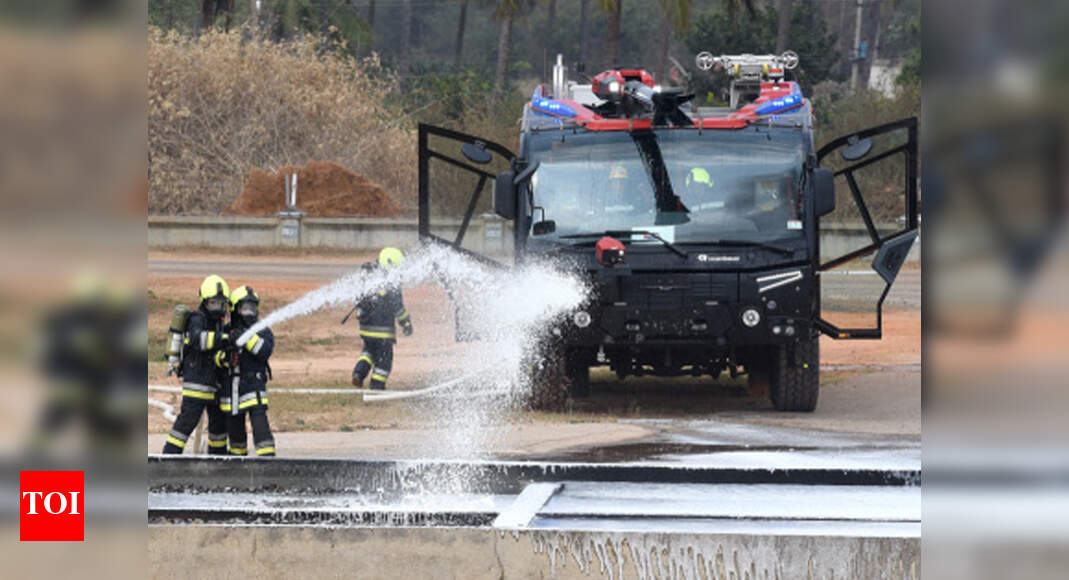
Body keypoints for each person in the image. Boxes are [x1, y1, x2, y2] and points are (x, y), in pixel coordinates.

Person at [162, 275, 230, 454]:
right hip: (197, 382)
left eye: (221, 303)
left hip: (214, 385)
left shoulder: (219, 324)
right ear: (205, 301)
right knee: (186, 423)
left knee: (219, 428)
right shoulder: (196, 319)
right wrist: (223, 338)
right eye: (213, 303)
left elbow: (216, 351)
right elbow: (198, 339)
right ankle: (168, 460)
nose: (218, 307)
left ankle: (218, 464)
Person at [218, 285, 275, 457]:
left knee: (261, 430)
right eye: (245, 308)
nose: (249, 312)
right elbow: (216, 356)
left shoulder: (262, 330)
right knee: (235, 435)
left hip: (254, 387)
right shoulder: (226, 331)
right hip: (231, 389)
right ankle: (237, 469)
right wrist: (224, 356)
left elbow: (264, 351)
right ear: (235, 309)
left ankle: (268, 465)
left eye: (252, 308)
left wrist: (245, 337)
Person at [351, 247, 413, 390]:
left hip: (366, 329)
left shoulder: (369, 277)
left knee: (368, 352)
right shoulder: (391, 282)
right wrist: (406, 323)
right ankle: (377, 386)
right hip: (383, 331)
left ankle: (359, 373)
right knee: (384, 360)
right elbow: (398, 307)